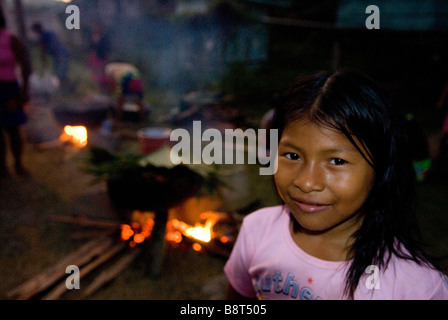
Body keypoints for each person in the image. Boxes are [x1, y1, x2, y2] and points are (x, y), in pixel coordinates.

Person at [224, 70, 448, 300]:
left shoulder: (416, 287)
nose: (307, 182)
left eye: (337, 161)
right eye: (292, 156)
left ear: (381, 168)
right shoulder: (256, 231)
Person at [0, 9, 32, 177]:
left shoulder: (10, 39)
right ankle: (2, 167)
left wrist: (25, 90)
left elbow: (25, 65)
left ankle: (18, 164)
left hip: (8, 89)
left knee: (13, 128)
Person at [31, 22, 70, 91]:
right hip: (64, 53)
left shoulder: (42, 37)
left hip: (59, 56)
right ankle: (68, 89)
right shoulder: (50, 32)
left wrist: (44, 62)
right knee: (62, 73)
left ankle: (66, 89)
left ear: (36, 30)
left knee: (60, 73)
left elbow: (42, 51)